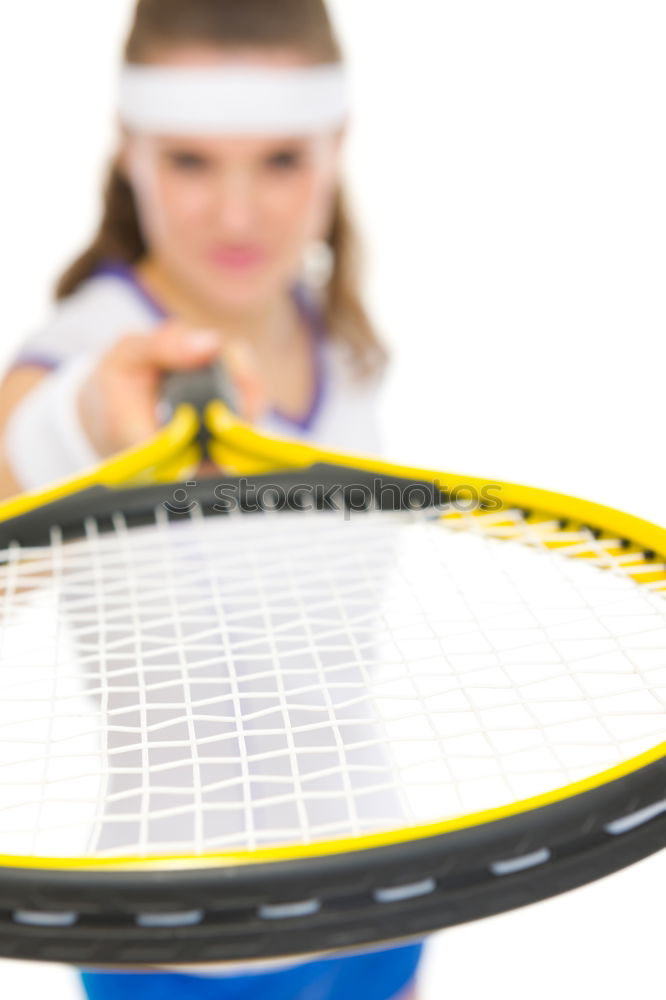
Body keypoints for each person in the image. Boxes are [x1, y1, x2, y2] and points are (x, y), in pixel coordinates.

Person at [0, 0, 424, 997]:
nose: (238, 216)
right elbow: (28, 442)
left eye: (280, 160)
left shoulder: (338, 334)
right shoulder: (89, 343)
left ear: (337, 146)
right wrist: (84, 431)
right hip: (184, 952)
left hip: (387, 896)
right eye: (190, 161)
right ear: (127, 151)